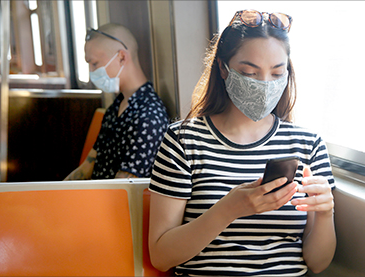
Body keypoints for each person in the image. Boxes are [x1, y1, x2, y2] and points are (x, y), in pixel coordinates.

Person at [148, 10, 336, 276]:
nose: (265, 84)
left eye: (277, 72)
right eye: (250, 72)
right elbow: (161, 255)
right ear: (223, 69)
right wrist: (229, 210)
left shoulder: (309, 145)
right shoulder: (183, 141)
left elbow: (318, 263)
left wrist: (326, 212)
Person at [65, 23, 169, 180]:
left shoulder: (149, 116)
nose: (92, 72)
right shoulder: (116, 107)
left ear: (121, 57)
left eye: (94, 64)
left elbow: (122, 189)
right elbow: (88, 166)